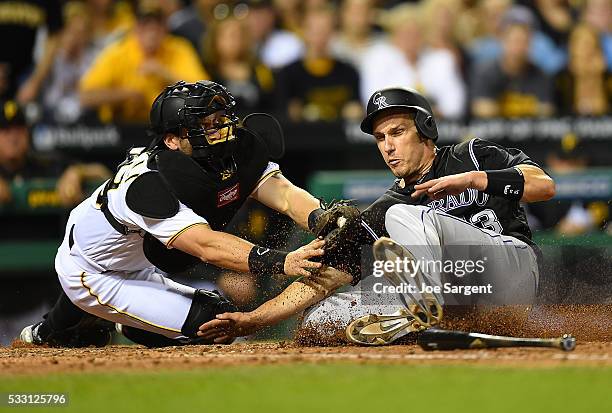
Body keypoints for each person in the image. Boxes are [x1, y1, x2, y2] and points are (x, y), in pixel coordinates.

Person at [199, 87, 556, 345]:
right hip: (458, 295)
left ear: (427, 131)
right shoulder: (387, 204)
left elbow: (544, 186)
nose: (388, 145)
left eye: (397, 132)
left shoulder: (472, 156)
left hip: (511, 273)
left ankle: (420, 313)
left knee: (405, 215)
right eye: (380, 137)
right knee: (321, 320)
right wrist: (254, 319)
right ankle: (417, 320)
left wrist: (477, 179)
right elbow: (327, 273)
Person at [19, 80, 331, 348]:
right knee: (216, 325)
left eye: (222, 119)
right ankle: (83, 324)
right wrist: (284, 261)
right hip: (93, 270)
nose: (221, 130)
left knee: (213, 317)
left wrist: (322, 219)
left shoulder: (227, 153)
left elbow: (286, 195)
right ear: (172, 140)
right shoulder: (149, 183)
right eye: (206, 126)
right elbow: (205, 245)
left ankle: (73, 324)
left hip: (136, 260)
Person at [79, 2, 207, 124]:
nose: (151, 32)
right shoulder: (118, 52)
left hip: (170, 125)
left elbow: (203, 91)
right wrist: (125, 95)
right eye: (145, 25)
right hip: (124, 127)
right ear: (136, 29)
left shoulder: (178, 49)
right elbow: (86, 96)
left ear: (165, 28)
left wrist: (164, 74)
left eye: (157, 25)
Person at [470, 6, 555, 118]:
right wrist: (528, 109)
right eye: (514, 40)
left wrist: (503, 109)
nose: (518, 47)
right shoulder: (486, 72)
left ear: (530, 44)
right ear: (503, 41)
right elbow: (481, 109)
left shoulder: (541, 75)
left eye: (523, 41)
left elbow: (546, 111)